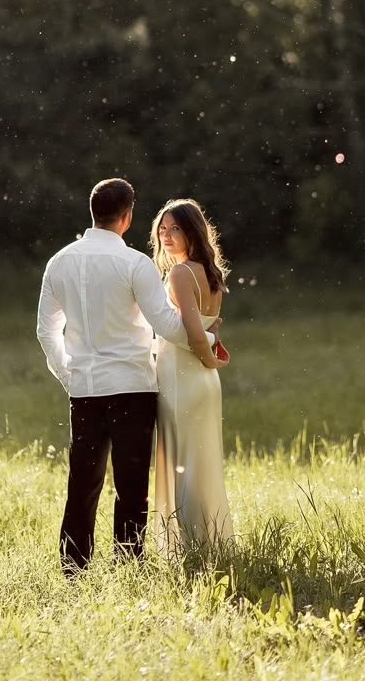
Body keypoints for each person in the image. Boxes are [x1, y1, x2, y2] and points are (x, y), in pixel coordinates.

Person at [36, 178, 222, 573]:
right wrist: (207, 336)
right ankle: (128, 565)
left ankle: (74, 567)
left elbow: (46, 331)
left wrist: (70, 376)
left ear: (93, 212)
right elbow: (167, 325)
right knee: (131, 485)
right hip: (133, 388)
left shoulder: (59, 261)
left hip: (84, 388)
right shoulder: (134, 263)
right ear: (127, 216)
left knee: (83, 483)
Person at [150, 198, 233, 556]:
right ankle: (208, 542)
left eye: (176, 229)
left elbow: (194, 332)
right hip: (201, 380)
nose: (167, 236)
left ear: (192, 231)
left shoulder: (181, 273)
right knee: (200, 461)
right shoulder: (209, 272)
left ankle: (190, 548)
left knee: (182, 459)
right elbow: (210, 325)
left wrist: (206, 358)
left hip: (185, 375)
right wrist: (209, 359)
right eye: (162, 229)